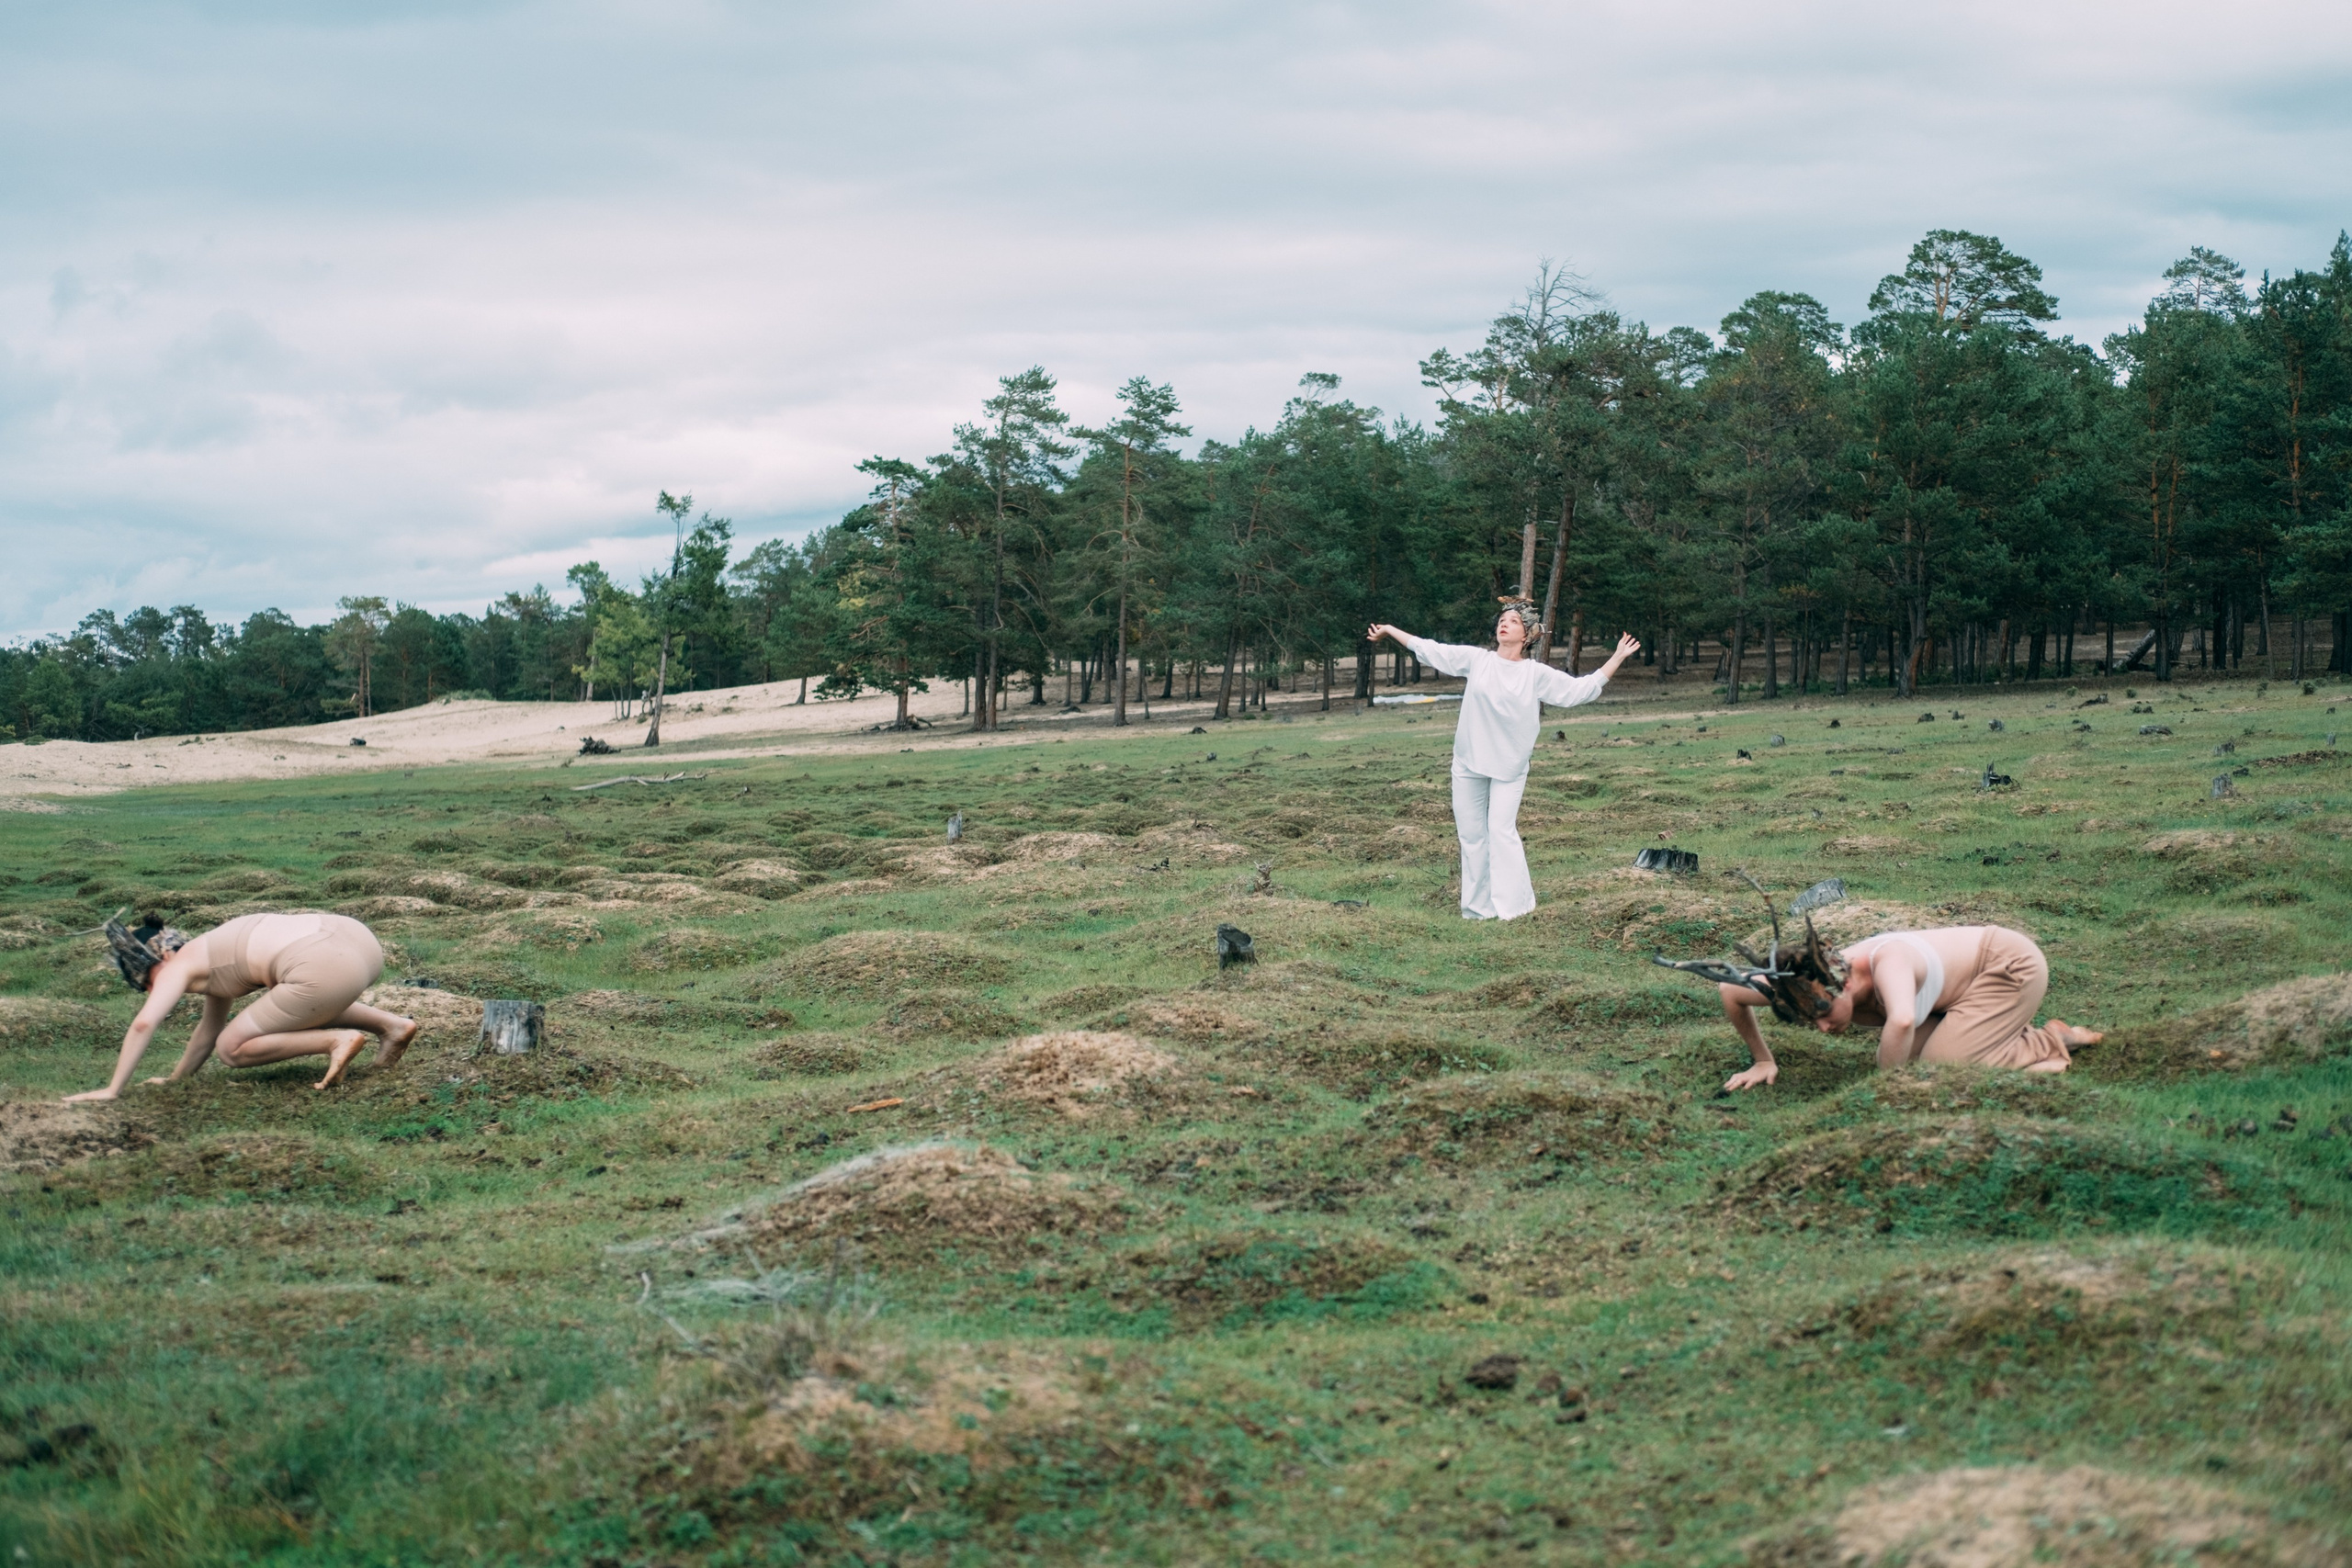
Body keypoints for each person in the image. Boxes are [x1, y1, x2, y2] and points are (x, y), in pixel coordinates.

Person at [1367, 603, 1639, 919]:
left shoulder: (1534, 673)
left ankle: (1516, 909)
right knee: (1471, 837)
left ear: (1527, 635)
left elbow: (1579, 691)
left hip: (1509, 767)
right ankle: (1477, 911)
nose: (1504, 624)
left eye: (1512, 621)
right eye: (1501, 620)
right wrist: (1389, 630)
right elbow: (1431, 650)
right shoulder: (1477, 660)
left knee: (1500, 831)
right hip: (1468, 762)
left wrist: (1617, 655)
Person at [64, 911, 418, 1100]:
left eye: (150, 983)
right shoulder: (210, 953)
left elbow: (144, 1025)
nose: (155, 991)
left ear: (162, 956)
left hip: (322, 961)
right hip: (356, 940)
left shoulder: (180, 963)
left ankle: (335, 1041)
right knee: (297, 1000)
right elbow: (208, 1029)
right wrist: (175, 1080)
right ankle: (393, 1027)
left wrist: (112, 1091)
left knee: (232, 1050)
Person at [1717, 924, 2103, 1092]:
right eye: (1809, 1020)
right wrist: (1763, 1060)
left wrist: (1888, 1092)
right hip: (1952, 999)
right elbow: (1729, 991)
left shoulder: (1891, 962)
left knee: (1939, 1065)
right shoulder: (1801, 981)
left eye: (1822, 1014)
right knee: (1913, 1057)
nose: (1821, 1028)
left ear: (1845, 984)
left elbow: (1901, 1020)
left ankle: (2047, 1042)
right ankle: (2001, 1038)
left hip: (2007, 966)